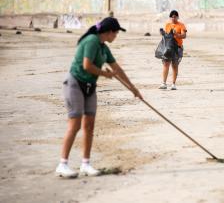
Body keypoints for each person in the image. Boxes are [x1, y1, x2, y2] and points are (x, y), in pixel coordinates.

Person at [55, 17, 143, 178]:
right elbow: (86, 65)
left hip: (90, 87)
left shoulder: (103, 47)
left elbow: (117, 69)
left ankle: (85, 164)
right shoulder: (91, 41)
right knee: (75, 125)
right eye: (116, 33)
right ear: (109, 32)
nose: (116, 35)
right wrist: (105, 74)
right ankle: (62, 164)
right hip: (75, 84)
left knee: (89, 126)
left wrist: (133, 88)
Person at [159, 10, 187, 90]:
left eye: (175, 17)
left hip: (177, 48)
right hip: (168, 48)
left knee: (174, 65)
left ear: (177, 17)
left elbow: (184, 36)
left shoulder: (181, 25)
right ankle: (163, 83)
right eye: (172, 17)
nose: (173, 18)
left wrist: (176, 34)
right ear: (170, 17)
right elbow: (166, 36)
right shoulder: (167, 25)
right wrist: (163, 33)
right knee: (166, 64)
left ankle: (173, 84)